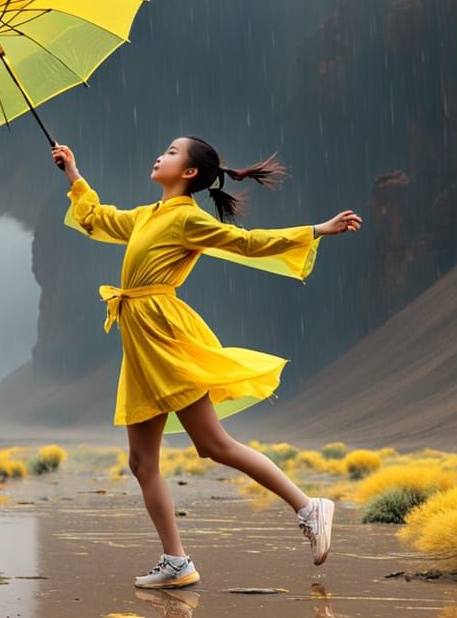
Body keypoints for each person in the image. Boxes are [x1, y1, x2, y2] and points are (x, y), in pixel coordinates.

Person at [52, 135, 362, 589]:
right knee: (142, 462)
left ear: (190, 173)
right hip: (140, 341)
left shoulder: (187, 220)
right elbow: (96, 219)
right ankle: (176, 562)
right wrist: (73, 173)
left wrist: (315, 230)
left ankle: (307, 507)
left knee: (213, 443)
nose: (160, 155)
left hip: (164, 336)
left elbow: (247, 243)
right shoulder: (147, 216)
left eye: (172, 152)